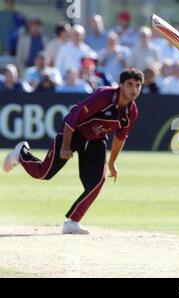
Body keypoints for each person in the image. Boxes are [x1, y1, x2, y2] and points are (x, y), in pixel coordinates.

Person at [3, 69, 143, 235]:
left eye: (138, 85)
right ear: (120, 85)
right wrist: (65, 146)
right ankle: (22, 153)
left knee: (97, 182)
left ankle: (72, 222)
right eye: (129, 85)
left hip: (96, 139)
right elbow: (73, 117)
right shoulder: (105, 96)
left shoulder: (132, 112)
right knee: (44, 173)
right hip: (74, 132)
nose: (134, 89)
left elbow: (120, 137)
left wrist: (112, 163)